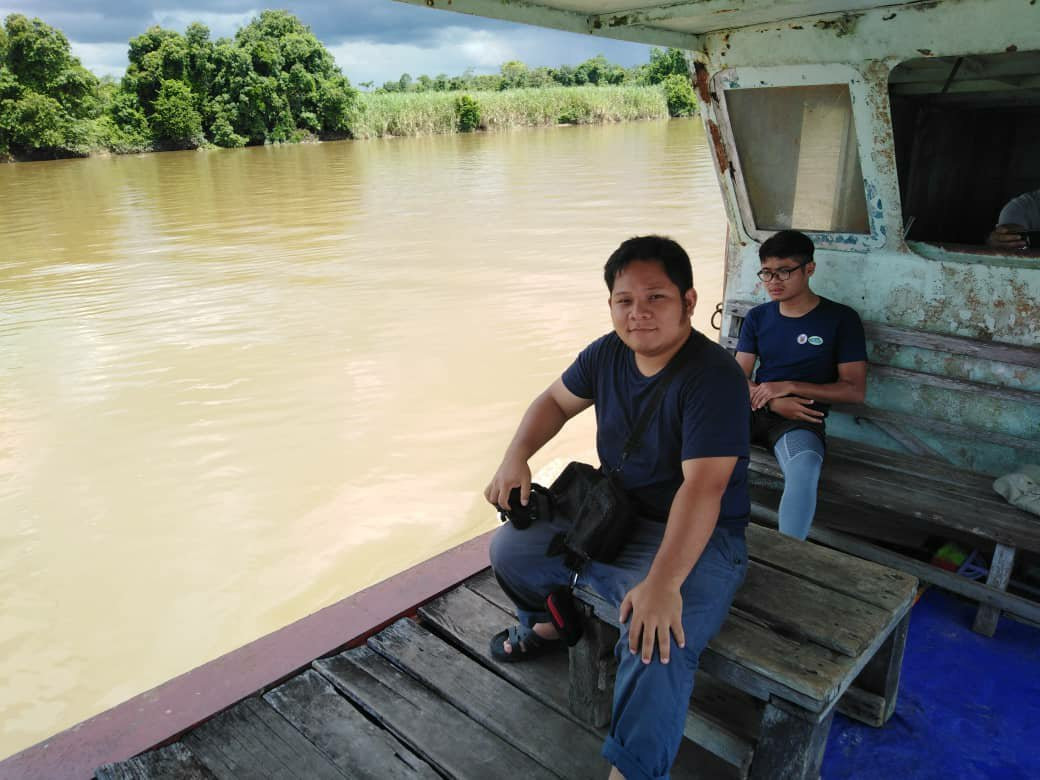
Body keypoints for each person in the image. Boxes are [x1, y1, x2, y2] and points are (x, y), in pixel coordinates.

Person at [484, 235, 751, 780]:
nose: (639, 313)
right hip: (615, 512)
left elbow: (703, 488)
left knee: (656, 637)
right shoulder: (606, 352)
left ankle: (633, 770)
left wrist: (663, 583)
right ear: (610, 306)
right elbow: (555, 402)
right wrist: (515, 456)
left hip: (698, 532)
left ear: (690, 302)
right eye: (625, 300)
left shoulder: (714, 377)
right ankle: (549, 623)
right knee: (511, 549)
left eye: (656, 297)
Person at [734, 230, 867, 541]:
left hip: (800, 418)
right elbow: (738, 376)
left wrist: (790, 385)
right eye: (767, 272)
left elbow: (854, 390)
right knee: (692, 436)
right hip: (754, 407)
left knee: (804, 468)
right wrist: (770, 399)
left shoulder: (840, 319)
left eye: (784, 271)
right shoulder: (758, 317)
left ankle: (789, 554)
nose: (773, 281)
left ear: (809, 269)